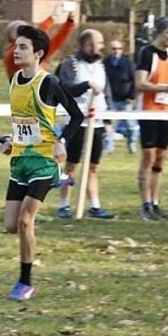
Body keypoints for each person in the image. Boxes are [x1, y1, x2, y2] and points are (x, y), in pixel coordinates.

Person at [2, 25, 85, 302]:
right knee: (10, 225)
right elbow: (22, 123)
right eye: (16, 46)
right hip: (20, 161)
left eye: (23, 47)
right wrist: (10, 140)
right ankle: (60, 179)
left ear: (38, 54)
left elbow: (76, 115)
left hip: (44, 161)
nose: (17, 51)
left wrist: (61, 140)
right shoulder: (14, 81)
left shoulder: (49, 83)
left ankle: (25, 282)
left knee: (26, 221)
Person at [56, 29, 111, 219]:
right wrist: (86, 85)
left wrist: (108, 120)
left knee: (93, 166)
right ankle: (64, 205)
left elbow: (106, 92)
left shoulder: (101, 65)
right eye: (99, 42)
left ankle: (94, 206)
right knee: (71, 165)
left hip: (96, 122)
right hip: (76, 122)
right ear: (88, 44)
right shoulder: (71, 64)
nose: (102, 46)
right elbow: (66, 90)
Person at [135, 17, 168, 220]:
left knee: (160, 159)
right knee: (148, 157)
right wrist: (164, 87)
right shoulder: (147, 53)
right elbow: (140, 83)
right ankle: (145, 204)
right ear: (159, 33)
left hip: (166, 111)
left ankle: (155, 203)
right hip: (148, 111)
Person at [2, 7, 75, 77]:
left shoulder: (32, 49)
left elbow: (56, 41)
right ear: (11, 35)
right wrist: (52, 18)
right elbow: (37, 34)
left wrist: (69, 22)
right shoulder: (12, 53)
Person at [104, 40, 138, 152]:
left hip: (125, 99)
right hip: (110, 99)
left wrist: (132, 96)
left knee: (130, 124)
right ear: (109, 50)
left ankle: (131, 143)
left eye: (118, 49)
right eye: (113, 49)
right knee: (110, 125)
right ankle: (109, 147)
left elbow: (135, 81)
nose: (116, 51)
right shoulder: (105, 64)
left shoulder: (128, 63)